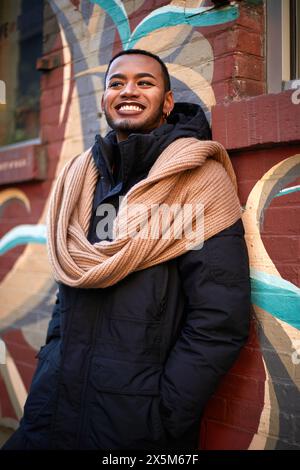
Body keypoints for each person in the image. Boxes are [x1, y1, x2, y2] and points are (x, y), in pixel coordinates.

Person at [2, 49, 251, 450]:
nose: (128, 91)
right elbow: (68, 290)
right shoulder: (83, 179)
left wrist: (163, 415)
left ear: (167, 102)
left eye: (144, 82)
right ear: (103, 100)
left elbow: (220, 319)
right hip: (52, 409)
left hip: (134, 426)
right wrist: (50, 364)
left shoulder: (197, 184)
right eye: (116, 83)